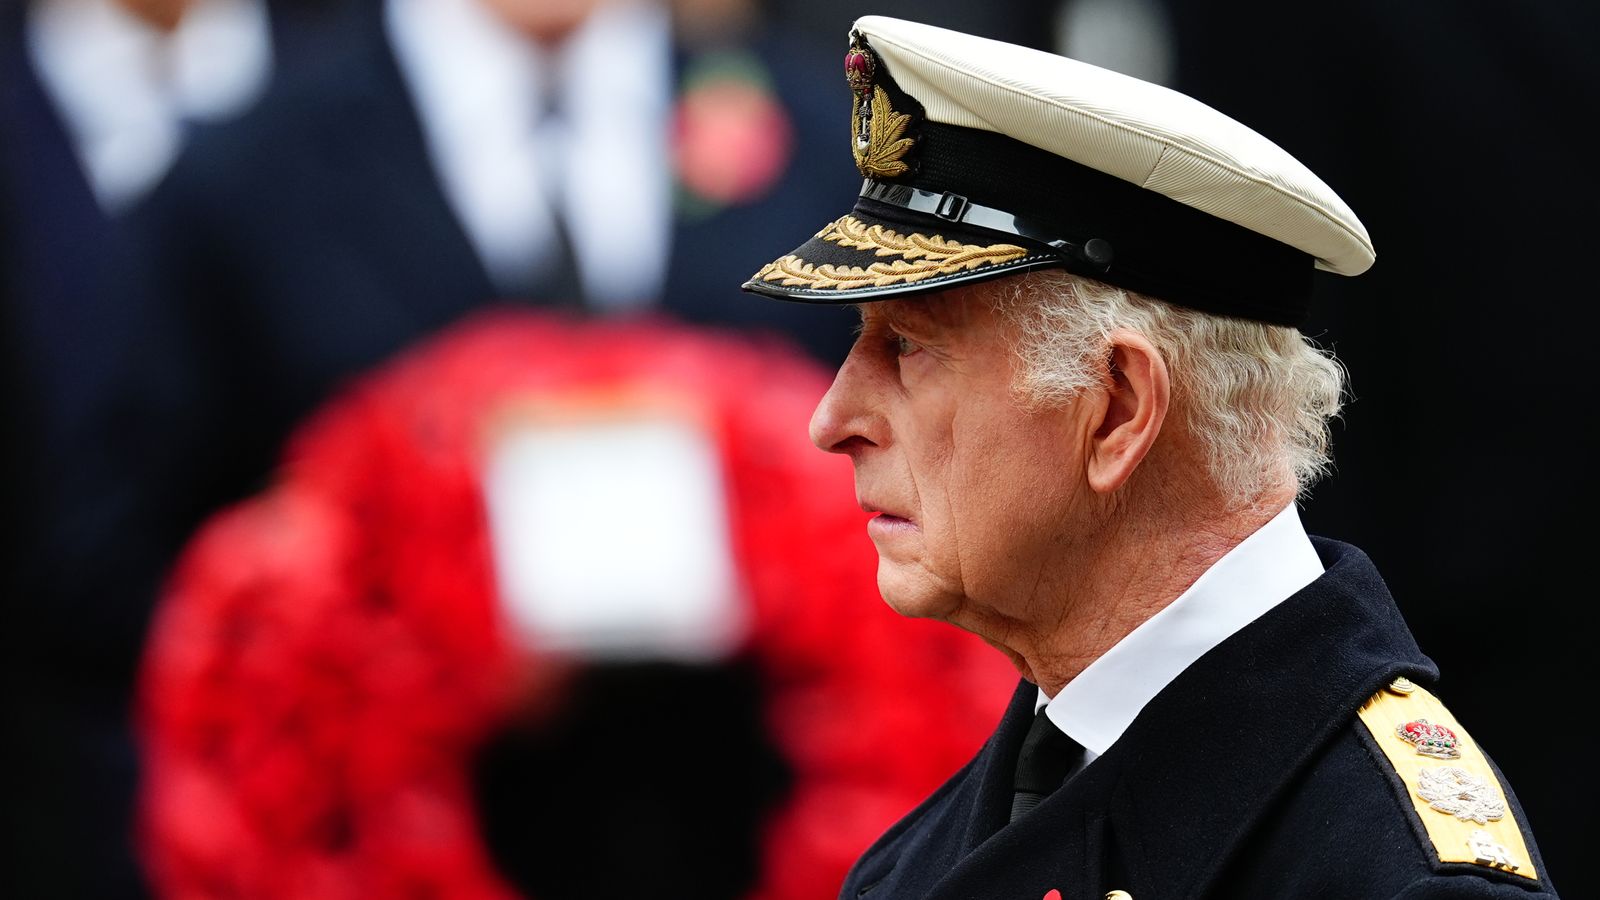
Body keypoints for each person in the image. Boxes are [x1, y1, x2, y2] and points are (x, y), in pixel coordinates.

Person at [740, 16, 1557, 900]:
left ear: (1118, 409)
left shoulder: (1396, 876)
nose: (833, 419)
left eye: (907, 346)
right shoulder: (920, 859)